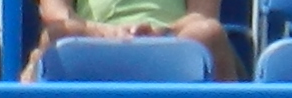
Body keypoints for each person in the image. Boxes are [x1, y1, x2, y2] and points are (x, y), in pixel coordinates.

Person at [37, 0, 241, 77]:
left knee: (208, 32)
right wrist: (105, 32)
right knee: (55, 37)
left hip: (172, 40)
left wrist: (161, 31)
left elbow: (203, 13)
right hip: (93, 40)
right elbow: (56, 12)